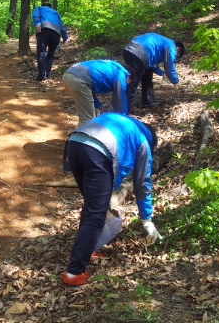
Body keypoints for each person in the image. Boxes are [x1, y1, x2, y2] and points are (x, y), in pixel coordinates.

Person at [61, 112, 162, 286]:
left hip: (75, 142)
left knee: (93, 206)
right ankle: (75, 272)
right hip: (97, 151)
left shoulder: (125, 122)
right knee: (96, 214)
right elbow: (142, 183)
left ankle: (87, 248)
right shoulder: (144, 142)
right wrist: (147, 219)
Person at [122, 33, 185, 113]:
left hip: (130, 50)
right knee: (133, 82)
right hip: (138, 53)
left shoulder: (162, 42)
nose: (175, 57)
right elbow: (169, 66)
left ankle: (147, 102)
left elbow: (152, 65)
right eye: (176, 56)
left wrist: (162, 73)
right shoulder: (171, 46)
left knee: (147, 74)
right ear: (178, 49)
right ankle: (125, 112)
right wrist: (175, 81)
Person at [62, 59, 132, 124]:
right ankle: (82, 136)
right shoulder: (121, 75)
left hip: (68, 75)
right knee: (87, 120)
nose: (126, 85)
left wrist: (99, 106)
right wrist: (123, 120)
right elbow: (120, 99)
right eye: (129, 82)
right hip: (79, 79)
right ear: (129, 75)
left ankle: (81, 135)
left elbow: (88, 89)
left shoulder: (113, 66)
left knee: (86, 116)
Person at [32, 2, 68, 81]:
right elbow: (61, 25)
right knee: (51, 54)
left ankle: (42, 75)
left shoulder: (39, 8)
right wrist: (65, 37)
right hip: (56, 34)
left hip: (44, 31)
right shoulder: (55, 12)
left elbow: (35, 15)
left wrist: (37, 24)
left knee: (41, 52)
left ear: (43, 5)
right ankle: (47, 73)